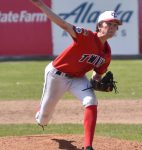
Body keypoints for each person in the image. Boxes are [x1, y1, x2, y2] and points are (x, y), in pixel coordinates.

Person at [31, 0, 122, 149]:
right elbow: (64, 25)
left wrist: (97, 81)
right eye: (109, 24)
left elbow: (97, 74)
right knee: (43, 119)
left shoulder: (107, 53)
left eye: (115, 25)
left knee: (91, 101)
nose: (113, 28)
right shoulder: (86, 36)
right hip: (56, 75)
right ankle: (40, 115)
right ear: (99, 26)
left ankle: (88, 146)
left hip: (78, 78)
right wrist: (41, 5)